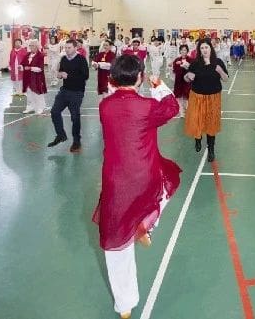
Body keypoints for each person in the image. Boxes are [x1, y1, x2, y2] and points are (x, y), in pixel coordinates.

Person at [92, 55, 181, 319]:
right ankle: (145, 224)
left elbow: (117, 102)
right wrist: (160, 86)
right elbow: (172, 107)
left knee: (116, 244)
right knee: (167, 182)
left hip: (116, 181)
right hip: (146, 176)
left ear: (113, 78)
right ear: (140, 77)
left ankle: (125, 305)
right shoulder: (147, 107)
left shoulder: (105, 107)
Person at [184, 39, 229, 162]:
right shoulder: (195, 63)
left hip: (213, 97)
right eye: (202, 48)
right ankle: (197, 140)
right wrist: (188, 76)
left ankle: (211, 149)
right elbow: (186, 78)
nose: (204, 50)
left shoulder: (218, 62)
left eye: (206, 47)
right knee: (196, 120)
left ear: (211, 48)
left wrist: (220, 71)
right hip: (197, 97)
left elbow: (226, 79)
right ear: (199, 50)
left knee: (211, 124)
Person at [48, 39, 89, 152]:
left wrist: (68, 76)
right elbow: (61, 72)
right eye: (65, 48)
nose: (66, 49)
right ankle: (61, 135)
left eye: (69, 47)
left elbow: (85, 76)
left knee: (75, 116)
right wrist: (60, 75)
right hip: (65, 91)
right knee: (54, 111)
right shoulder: (64, 59)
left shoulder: (81, 60)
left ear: (76, 48)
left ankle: (76, 141)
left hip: (77, 92)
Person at [21, 40, 48, 114]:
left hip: (37, 77)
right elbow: (23, 64)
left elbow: (40, 69)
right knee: (29, 93)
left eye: (32, 45)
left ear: (37, 47)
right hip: (27, 77)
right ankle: (30, 106)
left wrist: (30, 68)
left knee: (38, 93)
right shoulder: (27, 55)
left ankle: (41, 107)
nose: (31, 47)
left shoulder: (40, 55)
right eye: (30, 45)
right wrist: (20, 67)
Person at [173, 44, 192, 117]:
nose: (183, 51)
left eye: (185, 50)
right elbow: (175, 70)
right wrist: (180, 66)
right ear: (180, 51)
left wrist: (186, 66)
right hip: (179, 81)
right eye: (182, 50)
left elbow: (192, 69)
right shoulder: (177, 60)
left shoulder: (190, 60)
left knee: (187, 96)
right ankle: (181, 112)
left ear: (187, 51)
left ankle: (187, 109)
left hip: (187, 81)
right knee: (179, 96)